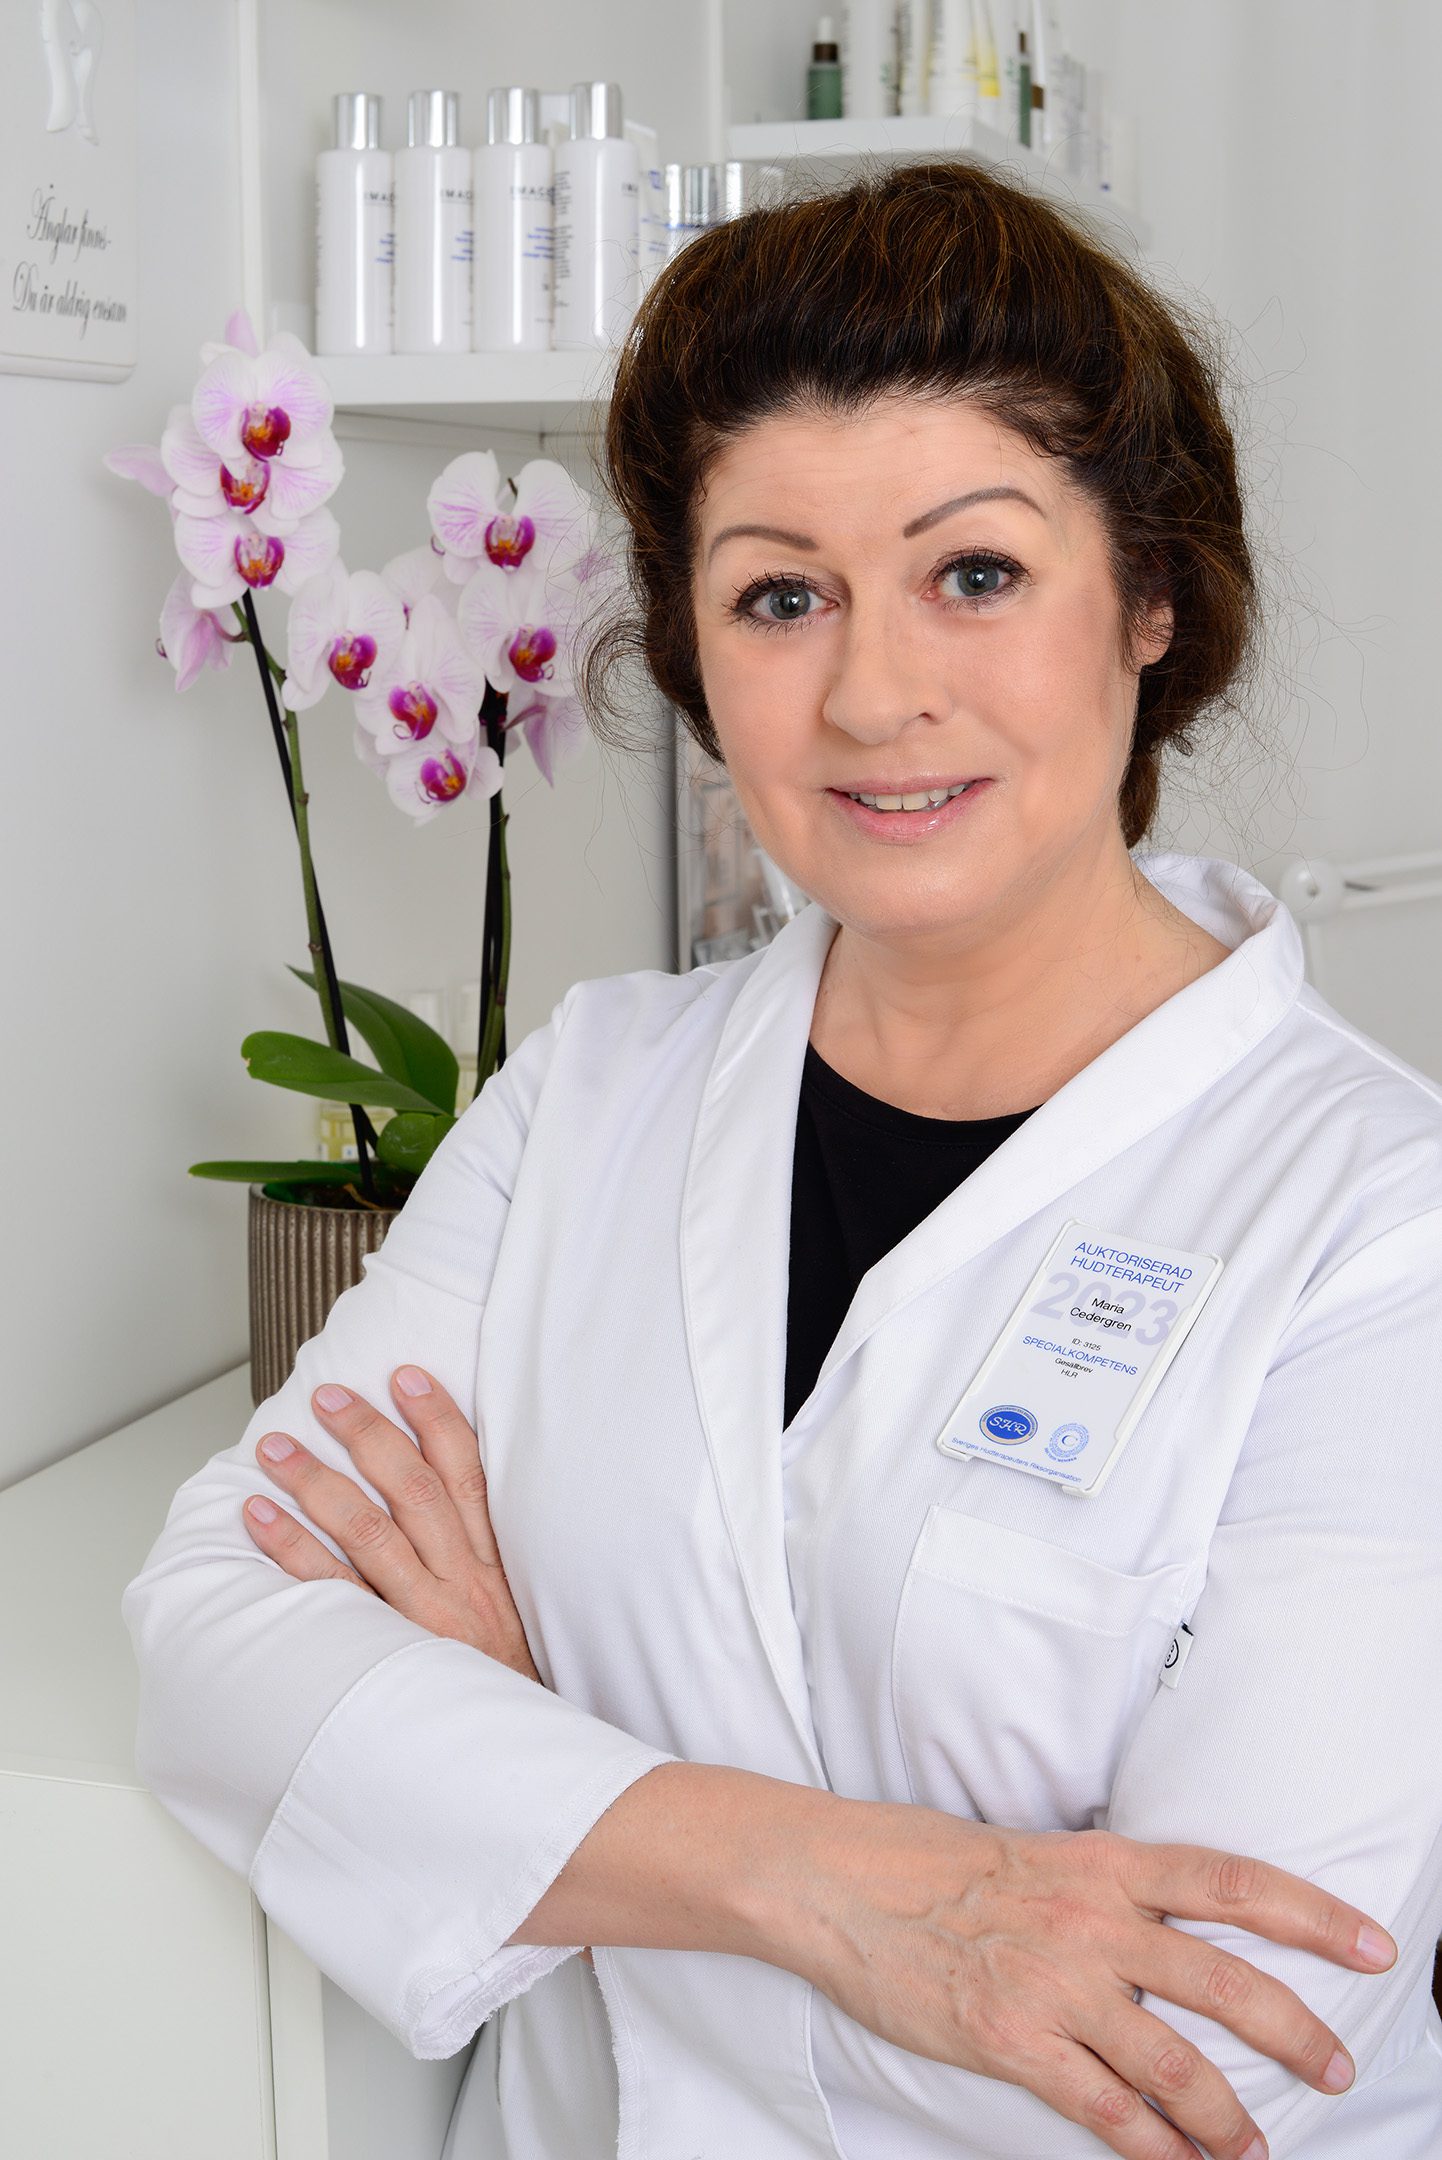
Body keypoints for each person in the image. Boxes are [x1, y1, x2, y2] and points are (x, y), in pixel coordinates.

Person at [121, 162, 1442, 2160]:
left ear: (1150, 602)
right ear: (690, 646)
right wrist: (845, 1893)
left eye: (973, 574)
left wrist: (539, 1776)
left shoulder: (1372, 1221)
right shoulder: (590, 1095)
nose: (872, 693)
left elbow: (1213, 2048)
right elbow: (218, 1636)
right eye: (779, 595)